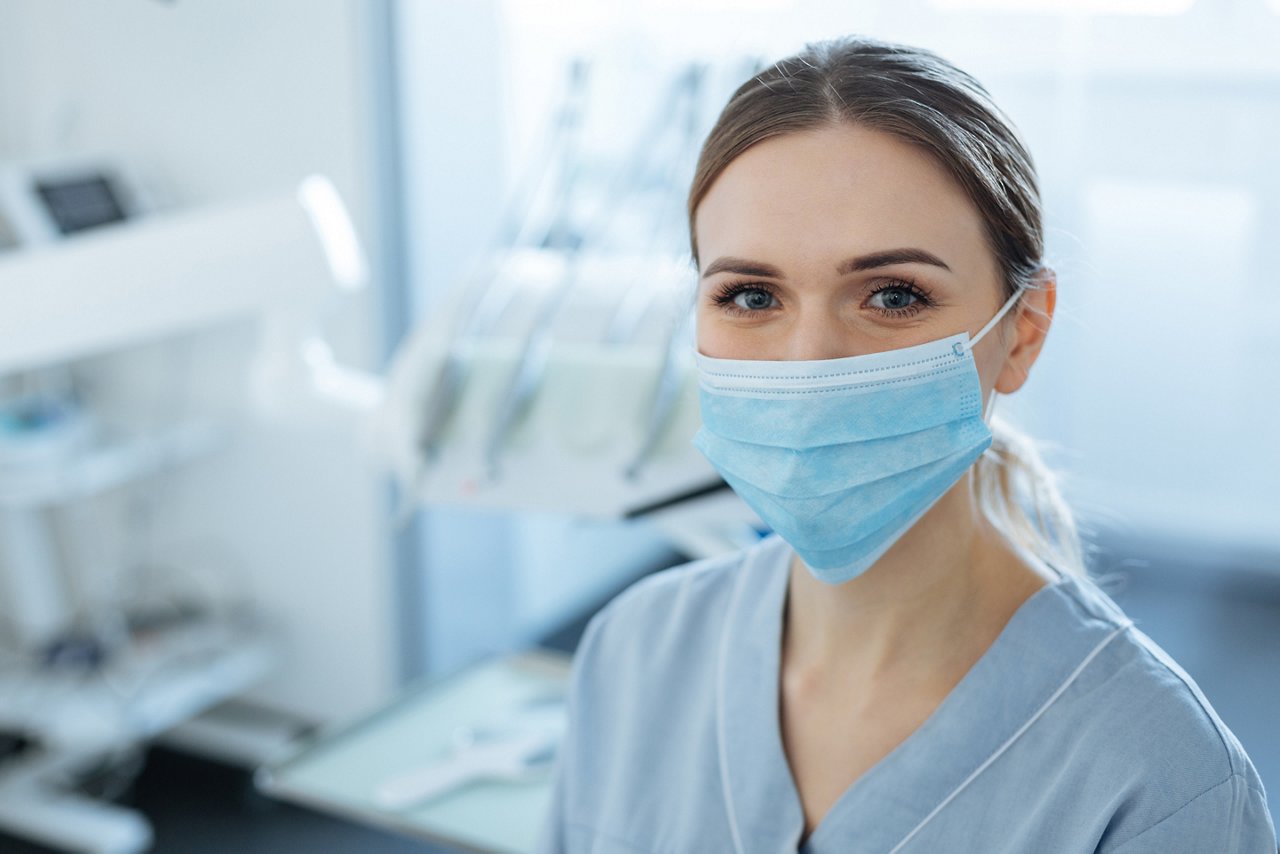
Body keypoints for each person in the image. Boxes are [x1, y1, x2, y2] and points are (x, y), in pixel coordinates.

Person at [535, 35, 1277, 853]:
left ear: (1023, 333)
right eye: (750, 294)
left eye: (893, 295)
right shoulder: (635, 653)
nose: (807, 361)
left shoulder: (1159, 782)